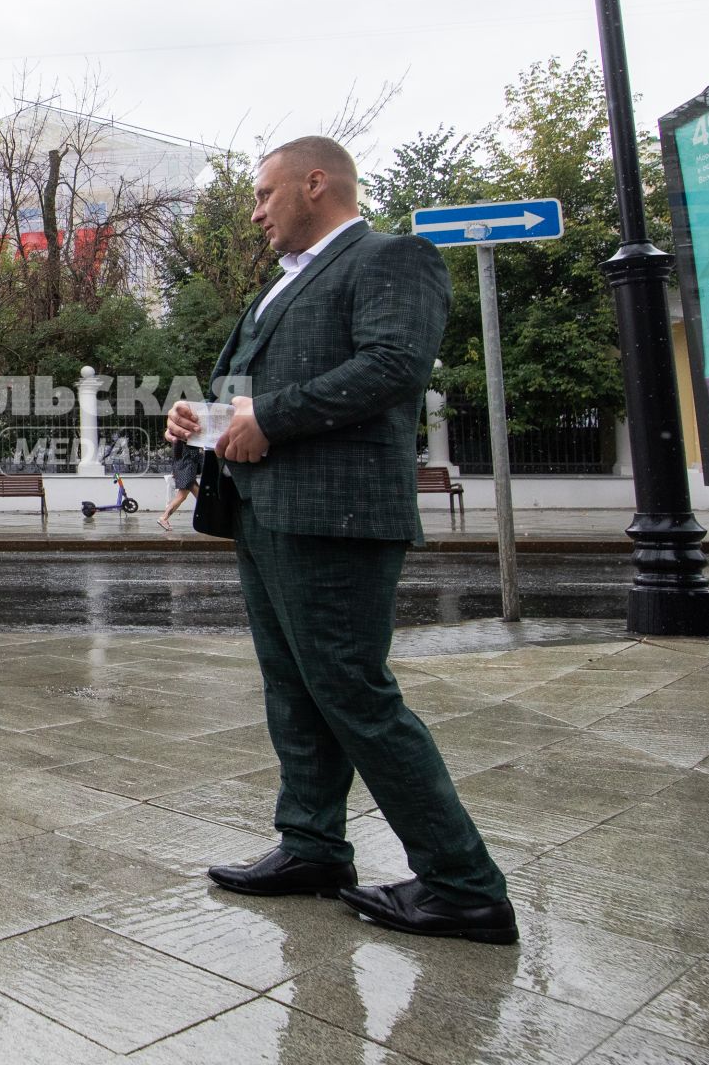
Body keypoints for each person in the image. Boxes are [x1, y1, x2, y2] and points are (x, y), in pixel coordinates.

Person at [166, 135, 516, 945]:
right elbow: (252, 397)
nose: (254, 213)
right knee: (294, 689)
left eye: (262, 195)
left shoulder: (392, 258)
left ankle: (464, 884)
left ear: (313, 184)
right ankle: (314, 847)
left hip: (337, 516)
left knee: (353, 692)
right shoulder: (281, 287)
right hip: (267, 511)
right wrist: (203, 423)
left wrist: (271, 418)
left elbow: (394, 364)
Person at [157, 436, 200, 531]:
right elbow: (194, 456)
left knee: (188, 497)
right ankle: (163, 518)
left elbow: (177, 458)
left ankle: (164, 518)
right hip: (188, 471)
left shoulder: (178, 442)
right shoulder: (190, 442)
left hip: (184, 470)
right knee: (183, 497)